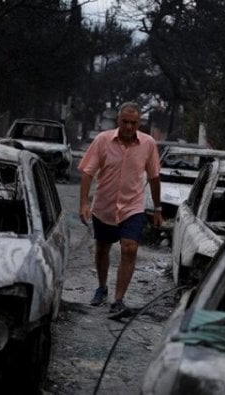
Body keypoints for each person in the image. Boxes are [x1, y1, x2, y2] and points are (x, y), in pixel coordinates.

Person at [78, 102, 163, 315]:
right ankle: (102, 287)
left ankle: (118, 300)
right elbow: (88, 172)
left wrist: (158, 208)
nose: (128, 127)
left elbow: (154, 177)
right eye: (124, 122)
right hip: (104, 205)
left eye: (133, 123)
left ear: (139, 123)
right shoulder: (102, 140)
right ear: (118, 121)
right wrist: (83, 204)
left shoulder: (148, 144)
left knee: (129, 248)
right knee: (103, 247)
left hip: (132, 206)